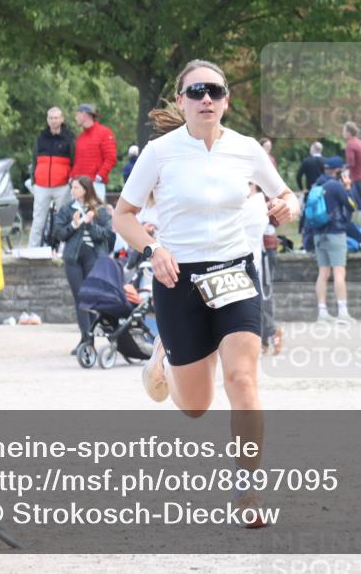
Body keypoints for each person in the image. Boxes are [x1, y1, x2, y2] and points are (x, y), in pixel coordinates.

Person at [113, 60, 298, 526]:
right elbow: (123, 215)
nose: (206, 100)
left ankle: (249, 490)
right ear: (181, 101)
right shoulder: (159, 153)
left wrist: (284, 205)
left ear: (226, 100)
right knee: (196, 406)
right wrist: (153, 250)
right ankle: (163, 359)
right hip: (178, 279)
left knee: (242, 380)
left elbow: (287, 196)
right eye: (196, 92)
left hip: (236, 273)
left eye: (215, 91)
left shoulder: (247, 149)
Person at [54, 176, 115, 352]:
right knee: (80, 298)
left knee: (93, 297)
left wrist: (88, 225)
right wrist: (74, 224)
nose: (73, 191)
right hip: (73, 257)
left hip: (93, 257)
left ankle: (108, 335)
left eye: (76, 188)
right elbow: (58, 234)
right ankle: (86, 339)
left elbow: (105, 235)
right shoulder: (67, 209)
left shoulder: (100, 210)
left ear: (86, 190)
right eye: (72, 188)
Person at [310, 156, 358, 323]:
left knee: (323, 273)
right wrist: (348, 188)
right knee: (339, 273)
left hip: (318, 233)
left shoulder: (317, 185)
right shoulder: (336, 186)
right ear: (337, 170)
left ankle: (322, 313)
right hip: (335, 233)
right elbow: (352, 205)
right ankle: (342, 312)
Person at [244, 183, 283, 355]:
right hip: (257, 252)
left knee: (264, 296)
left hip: (264, 251)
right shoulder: (252, 200)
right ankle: (265, 338)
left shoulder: (258, 201)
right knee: (257, 297)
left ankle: (271, 333)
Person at [29, 106, 75, 248]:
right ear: (47, 120)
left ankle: (64, 249)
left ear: (62, 119)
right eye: (51, 118)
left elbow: (74, 160)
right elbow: (34, 159)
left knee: (64, 219)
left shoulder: (70, 138)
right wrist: (33, 180)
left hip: (62, 186)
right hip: (41, 185)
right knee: (38, 220)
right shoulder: (40, 137)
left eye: (56, 118)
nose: (54, 121)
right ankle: (32, 250)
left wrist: (71, 180)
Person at [70, 103, 117, 201]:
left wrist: (99, 176)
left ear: (84, 114)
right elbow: (78, 161)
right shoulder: (80, 137)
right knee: (79, 215)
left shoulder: (105, 133)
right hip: (78, 185)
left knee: (96, 215)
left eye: (77, 114)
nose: (75, 118)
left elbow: (111, 158)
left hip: (95, 184)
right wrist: (72, 176)